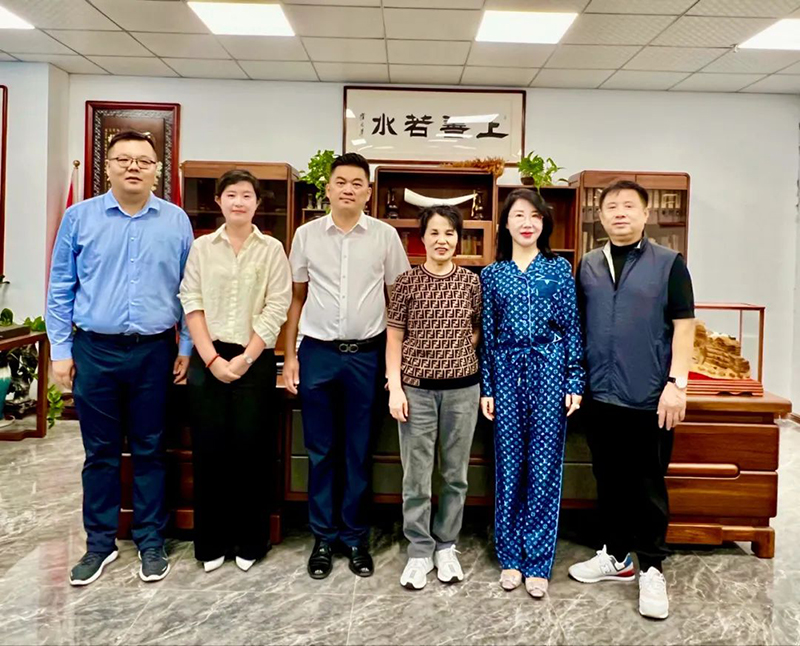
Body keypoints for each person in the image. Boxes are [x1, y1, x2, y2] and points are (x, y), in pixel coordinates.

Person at [46, 130, 193, 585]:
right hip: (95, 351)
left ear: (156, 171)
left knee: (151, 449)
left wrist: (185, 346)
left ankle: (151, 540)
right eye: (123, 159)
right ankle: (99, 544)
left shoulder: (176, 221)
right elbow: (60, 286)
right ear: (107, 166)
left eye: (143, 161)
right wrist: (60, 350)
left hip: (154, 352)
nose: (133, 167)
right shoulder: (79, 217)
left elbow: (190, 290)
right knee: (100, 453)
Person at [568, 180, 695, 621]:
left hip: (648, 396)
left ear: (645, 214)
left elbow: (684, 327)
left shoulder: (669, 263)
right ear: (600, 216)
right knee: (608, 479)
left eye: (628, 206)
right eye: (611, 207)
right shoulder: (588, 264)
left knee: (647, 485)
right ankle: (617, 556)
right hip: (600, 395)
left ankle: (652, 567)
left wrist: (677, 383)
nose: (619, 213)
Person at [283, 152, 410, 579]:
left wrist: (396, 368)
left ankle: (354, 538)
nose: (348, 189)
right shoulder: (305, 235)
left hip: (368, 356)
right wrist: (290, 357)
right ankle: (323, 538)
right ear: (328, 188)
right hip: (318, 353)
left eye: (357, 183)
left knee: (358, 451)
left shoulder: (385, 237)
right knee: (320, 451)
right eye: (341, 182)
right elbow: (296, 299)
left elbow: (399, 302)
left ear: (368, 192)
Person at [179, 169, 291, 574]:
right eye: (231, 194)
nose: (239, 201)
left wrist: (245, 359)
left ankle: (250, 540)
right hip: (208, 357)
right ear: (219, 201)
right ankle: (211, 543)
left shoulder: (272, 249)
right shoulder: (202, 247)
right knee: (210, 453)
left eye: (246, 195)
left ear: (257, 203)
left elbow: (277, 306)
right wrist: (211, 359)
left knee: (251, 453)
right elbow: (190, 300)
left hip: (255, 358)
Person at [480, 188, 584, 599]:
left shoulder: (559, 269)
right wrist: (488, 387)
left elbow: (572, 327)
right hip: (505, 373)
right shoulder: (493, 274)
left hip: (549, 372)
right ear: (505, 224)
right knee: (508, 467)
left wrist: (574, 380)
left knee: (543, 468)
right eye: (519, 215)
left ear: (544, 223)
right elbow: (487, 337)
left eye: (535, 216)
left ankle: (538, 562)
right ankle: (510, 557)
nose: (527, 223)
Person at [386, 205, 481, 590]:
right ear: (421, 238)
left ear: (458, 238)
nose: (442, 240)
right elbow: (394, 337)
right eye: (434, 233)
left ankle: (446, 545)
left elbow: (476, 330)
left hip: (463, 391)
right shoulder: (406, 282)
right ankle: (419, 550)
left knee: (455, 475)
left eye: (449, 233)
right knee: (416, 476)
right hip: (416, 392)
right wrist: (395, 386)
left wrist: (456, 352)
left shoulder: (471, 283)